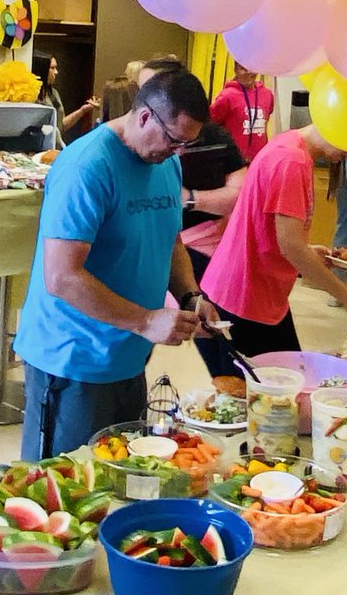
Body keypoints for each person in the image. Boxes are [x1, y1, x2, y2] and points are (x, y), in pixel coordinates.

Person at [15, 69, 220, 458]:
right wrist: (146, 320)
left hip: (128, 355)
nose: (176, 153)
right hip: (72, 361)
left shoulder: (166, 162)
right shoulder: (87, 166)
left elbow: (170, 239)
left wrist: (190, 295)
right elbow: (61, 277)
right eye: (173, 140)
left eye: (185, 145)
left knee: (118, 478)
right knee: (66, 489)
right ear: (144, 117)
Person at [199, 125, 347, 377]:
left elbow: (275, 233)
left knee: (288, 385)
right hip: (244, 295)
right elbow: (291, 246)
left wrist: (309, 252)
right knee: (271, 394)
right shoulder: (291, 160)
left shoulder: (291, 148)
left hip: (256, 292)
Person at [135, 57, 247, 285]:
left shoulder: (214, 138)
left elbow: (240, 196)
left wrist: (190, 198)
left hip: (203, 248)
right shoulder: (130, 147)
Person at [210, 61, 275, 162]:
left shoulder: (267, 94)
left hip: (259, 160)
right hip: (233, 161)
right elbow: (211, 125)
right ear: (235, 70)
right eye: (243, 68)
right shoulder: (226, 96)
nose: (249, 72)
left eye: (252, 68)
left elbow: (267, 117)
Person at [31, 54, 100, 147]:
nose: (56, 72)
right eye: (52, 68)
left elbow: (61, 125)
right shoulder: (30, 96)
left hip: (56, 147)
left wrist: (82, 111)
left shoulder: (53, 93)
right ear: (42, 70)